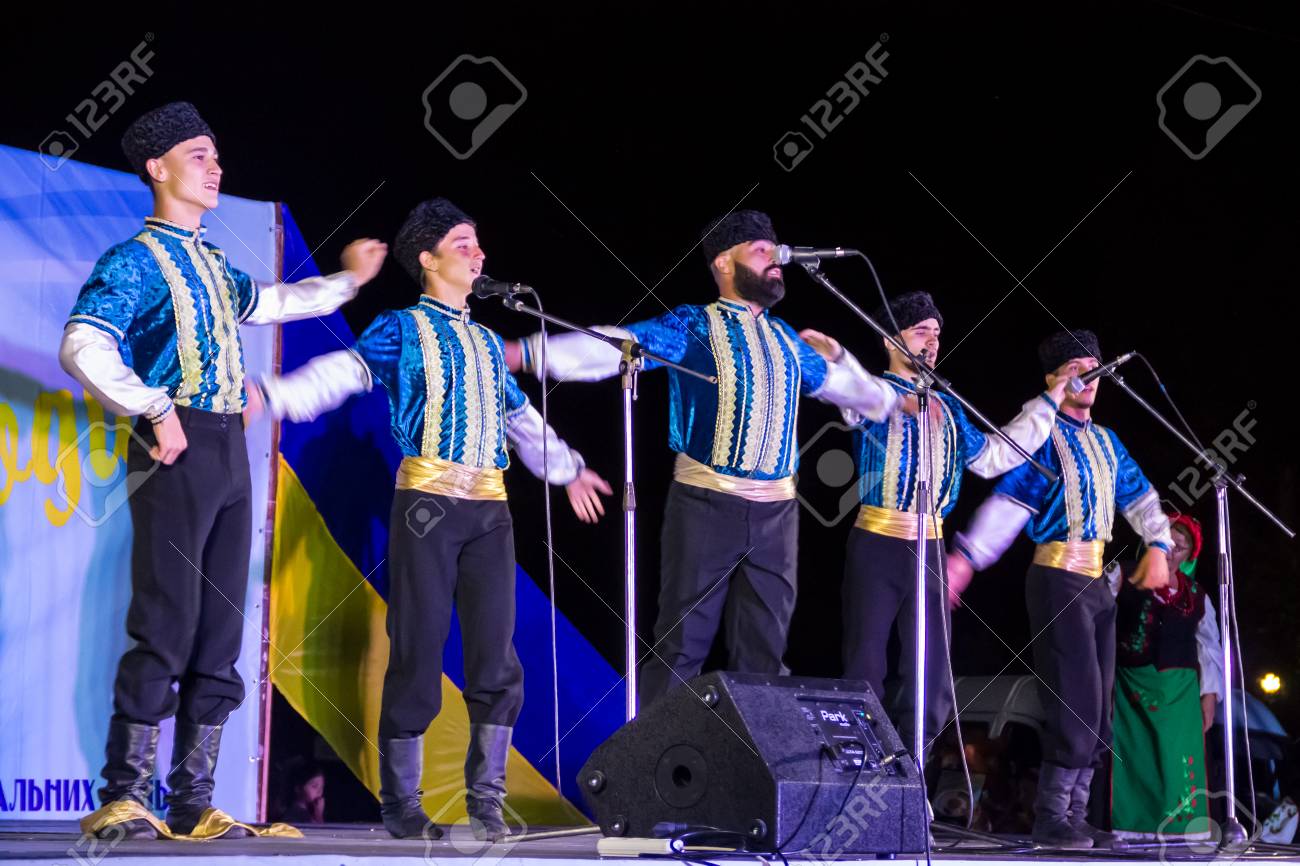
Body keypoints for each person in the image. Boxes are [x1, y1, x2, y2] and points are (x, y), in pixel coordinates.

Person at [61, 102, 384, 840]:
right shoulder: (135, 260)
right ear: (158, 167)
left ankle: (193, 798)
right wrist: (153, 407)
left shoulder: (211, 264)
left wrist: (347, 280)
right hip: (174, 444)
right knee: (166, 621)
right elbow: (83, 343)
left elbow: (275, 301)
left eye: (215, 155)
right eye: (199, 155)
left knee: (221, 629)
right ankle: (124, 792)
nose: (216, 167)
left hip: (227, 449)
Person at [255, 197, 611, 841]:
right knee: (418, 647)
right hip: (427, 502)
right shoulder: (401, 328)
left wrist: (569, 470)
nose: (479, 254)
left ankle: (487, 801)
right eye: (464, 244)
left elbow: (519, 418)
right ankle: (402, 802)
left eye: (478, 243)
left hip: (491, 509)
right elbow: (343, 373)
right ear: (428, 259)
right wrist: (274, 395)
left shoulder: (487, 342)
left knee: (496, 657)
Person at [503, 210, 898, 707]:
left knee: (765, 654)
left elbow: (866, 397)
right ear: (724, 263)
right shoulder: (694, 325)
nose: (776, 258)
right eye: (761, 250)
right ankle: (654, 755)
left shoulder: (788, 341)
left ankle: (756, 756)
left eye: (776, 249)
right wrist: (526, 353)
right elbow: (615, 345)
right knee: (681, 647)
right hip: (706, 504)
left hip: (778, 516)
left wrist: (847, 363)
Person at [945, 328, 1172, 849]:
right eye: (1075, 368)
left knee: (1100, 707)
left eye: (1094, 367)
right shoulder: (1044, 440)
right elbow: (1009, 504)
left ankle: (1077, 813)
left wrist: (1158, 543)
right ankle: (1050, 816)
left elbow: (1140, 497)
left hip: (1097, 584)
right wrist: (967, 558)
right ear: (1053, 380)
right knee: (1075, 699)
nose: (1089, 376)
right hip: (1056, 577)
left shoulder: (1107, 441)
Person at [840, 290, 1067, 751]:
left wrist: (1048, 402)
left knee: (931, 667)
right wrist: (842, 359)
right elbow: (850, 392)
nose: (932, 341)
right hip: (878, 539)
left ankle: (915, 761)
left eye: (937, 334)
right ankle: (860, 759)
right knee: (866, 659)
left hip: (929, 546)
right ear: (890, 339)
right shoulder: (872, 393)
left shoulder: (949, 408)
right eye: (920, 331)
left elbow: (994, 455)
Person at [1107, 512, 1224, 840]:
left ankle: (1179, 836)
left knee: (1177, 762)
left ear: (1189, 556)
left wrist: (1209, 695)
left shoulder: (1197, 595)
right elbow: (1092, 617)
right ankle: (1129, 832)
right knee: (1135, 759)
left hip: (1180, 696)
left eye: (1181, 547)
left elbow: (1209, 648)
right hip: (1131, 689)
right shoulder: (1122, 575)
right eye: (1167, 542)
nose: (1172, 551)